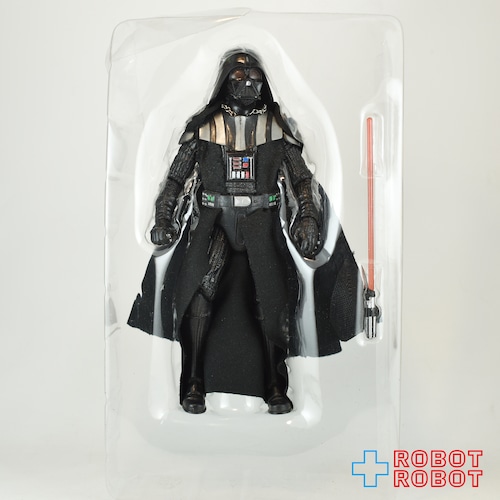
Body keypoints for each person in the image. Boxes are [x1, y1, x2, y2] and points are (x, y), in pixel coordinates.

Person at [128, 50, 364, 415]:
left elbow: (302, 180)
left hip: (261, 223)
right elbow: (174, 179)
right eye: (239, 77)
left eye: (254, 77)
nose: (247, 84)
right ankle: (193, 383)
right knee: (198, 297)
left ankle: (275, 385)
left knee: (271, 301)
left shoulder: (276, 127)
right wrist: (163, 219)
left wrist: (307, 217)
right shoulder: (204, 128)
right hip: (213, 223)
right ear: (225, 80)